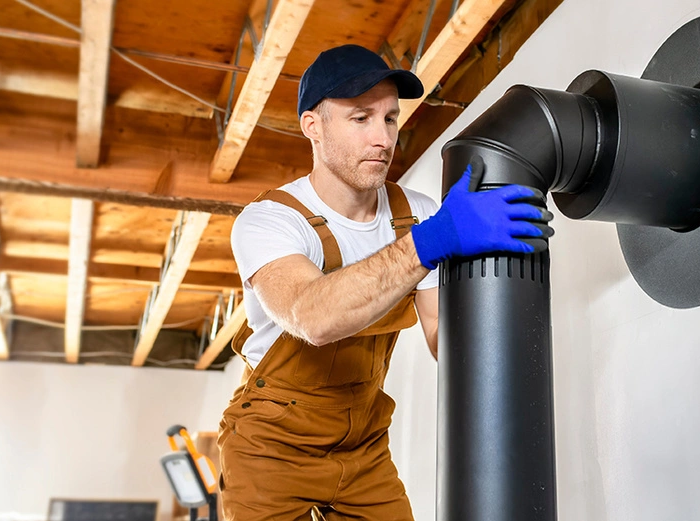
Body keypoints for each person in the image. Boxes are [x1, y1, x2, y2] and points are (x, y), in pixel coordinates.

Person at [217, 44, 553, 521]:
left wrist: (504, 334)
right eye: (361, 119)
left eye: (390, 119)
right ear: (313, 126)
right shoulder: (270, 220)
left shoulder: (416, 212)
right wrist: (432, 241)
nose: (383, 138)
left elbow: (438, 331)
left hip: (365, 446)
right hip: (271, 449)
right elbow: (313, 317)